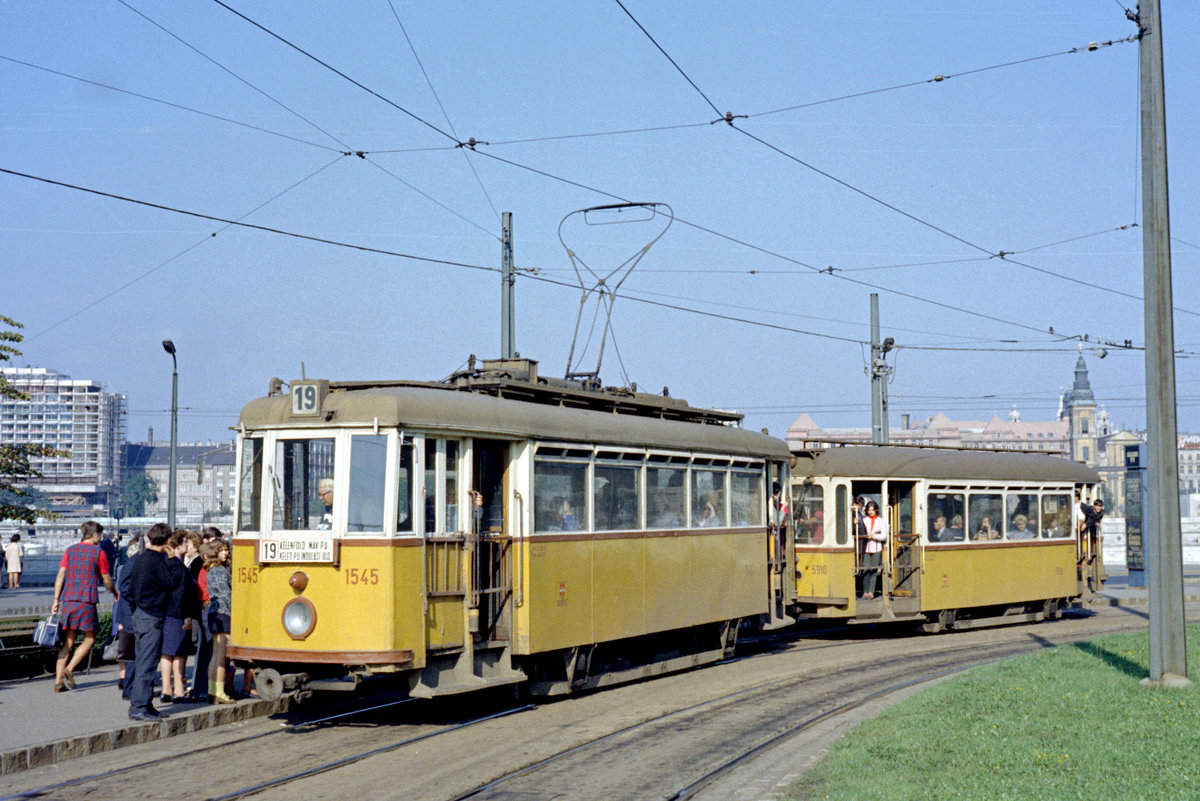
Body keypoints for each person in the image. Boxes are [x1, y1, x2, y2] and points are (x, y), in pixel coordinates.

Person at [126, 522, 184, 722]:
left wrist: (136, 609)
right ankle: (139, 707)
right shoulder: (158, 561)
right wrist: (173, 559)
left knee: (144, 660)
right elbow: (172, 583)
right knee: (148, 663)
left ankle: (145, 704)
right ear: (167, 540)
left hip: (141, 614)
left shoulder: (140, 558)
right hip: (152, 616)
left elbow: (129, 590)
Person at [51, 520, 117, 693]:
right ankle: (69, 669)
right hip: (86, 601)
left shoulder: (70, 550)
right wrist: (115, 593)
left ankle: (58, 682)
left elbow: (60, 575)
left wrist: (56, 599)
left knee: (67, 642)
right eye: (100, 535)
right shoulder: (98, 553)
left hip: (69, 601)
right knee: (90, 638)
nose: (100, 538)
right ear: (94, 535)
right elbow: (107, 579)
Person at [159, 531, 199, 703]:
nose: (187, 546)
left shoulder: (165, 564)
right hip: (178, 614)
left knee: (167, 652)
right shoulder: (179, 567)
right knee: (179, 653)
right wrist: (187, 616)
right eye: (185, 543)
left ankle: (166, 688)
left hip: (165, 613)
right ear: (179, 544)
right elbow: (183, 594)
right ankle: (179, 690)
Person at [201, 539, 235, 704]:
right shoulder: (221, 571)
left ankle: (212, 690)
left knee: (215, 655)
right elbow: (227, 596)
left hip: (213, 614)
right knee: (221, 656)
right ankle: (219, 692)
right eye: (222, 550)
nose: (226, 553)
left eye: (226, 550)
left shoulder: (211, 570)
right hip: (224, 614)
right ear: (215, 553)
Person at [113, 534, 142, 699]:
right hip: (132, 617)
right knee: (134, 655)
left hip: (128, 616)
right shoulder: (133, 565)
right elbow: (126, 593)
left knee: (131, 655)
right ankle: (130, 689)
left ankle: (129, 687)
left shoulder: (127, 565)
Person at [860, 500, 887, 600]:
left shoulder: (880, 521)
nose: (871, 512)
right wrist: (866, 536)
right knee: (866, 569)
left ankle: (871, 592)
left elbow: (884, 536)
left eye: (873, 510)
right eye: (869, 510)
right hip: (866, 548)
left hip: (876, 548)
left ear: (876, 510)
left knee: (874, 570)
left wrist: (874, 536)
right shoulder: (864, 520)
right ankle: (865, 591)